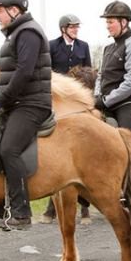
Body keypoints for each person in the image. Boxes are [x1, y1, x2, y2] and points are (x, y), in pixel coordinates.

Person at [0, 0, 53, 228]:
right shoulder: (15, 34)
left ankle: (22, 214)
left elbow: (24, 72)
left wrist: (0, 101)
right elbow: (8, 75)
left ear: (14, 11)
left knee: (9, 149)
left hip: (32, 104)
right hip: (18, 102)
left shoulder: (28, 33)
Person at [42, 14, 92, 223]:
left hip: (77, 97)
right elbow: (47, 71)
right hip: (58, 96)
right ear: (63, 28)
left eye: (77, 27)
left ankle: (86, 207)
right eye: (72, 27)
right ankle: (51, 207)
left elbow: (89, 71)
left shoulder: (84, 46)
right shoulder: (52, 46)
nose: (75, 30)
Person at [94, 0, 131, 147]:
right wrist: (97, 96)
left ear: (123, 22)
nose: (107, 26)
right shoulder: (108, 48)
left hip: (128, 103)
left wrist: (106, 100)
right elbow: (100, 75)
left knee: (129, 145)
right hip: (107, 103)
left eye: (110, 22)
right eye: (107, 22)